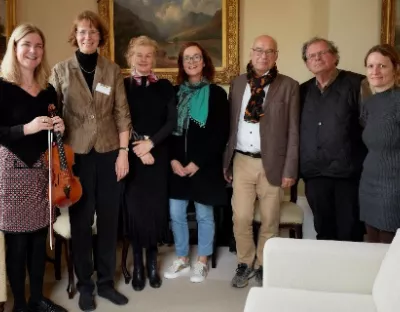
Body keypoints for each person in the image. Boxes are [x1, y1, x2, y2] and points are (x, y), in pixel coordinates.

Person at [50, 11, 131, 311]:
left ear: (100, 37)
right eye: (82, 31)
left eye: (93, 32)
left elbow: (122, 113)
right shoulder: (61, 70)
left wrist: (124, 153)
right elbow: (52, 109)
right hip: (77, 159)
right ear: (76, 35)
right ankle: (85, 285)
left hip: (110, 153)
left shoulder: (112, 70)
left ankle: (106, 282)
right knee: (82, 222)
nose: (88, 36)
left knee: (109, 221)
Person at [0, 23, 67, 312]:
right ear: (14, 48)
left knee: (40, 237)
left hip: (42, 169)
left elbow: (53, 132)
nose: (33, 51)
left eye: (39, 46)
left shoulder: (49, 91)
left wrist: (60, 127)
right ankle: (21, 305)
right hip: (12, 169)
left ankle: (38, 298)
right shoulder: (2, 87)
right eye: (27, 44)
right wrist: (26, 128)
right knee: (17, 240)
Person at [223, 35, 299, 288]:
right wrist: (227, 162)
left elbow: (294, 131)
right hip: (242, 161)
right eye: (258, 50)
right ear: (251, 53)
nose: (263, 55)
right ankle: (245, 262)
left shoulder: (289, 86)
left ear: (276, 55)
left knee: (270, 219)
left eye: (269, 51)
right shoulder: (237, 84)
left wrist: (290, 168)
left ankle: (264, 264)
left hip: (273, 164)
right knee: (241, 217)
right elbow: (230, 127)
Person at [164, 42, 229, 283]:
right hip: (176, 166)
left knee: (204, 215)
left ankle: (202, 260)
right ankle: (181, 257)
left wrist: (197, 163)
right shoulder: (173, 93)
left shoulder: (217, 94)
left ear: (204, 62)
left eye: (196, 57)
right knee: (176, 213)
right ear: (181, 63)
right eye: (187, 58)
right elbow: (167, 129)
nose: (191, 62)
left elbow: (220, 134)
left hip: (204, 167)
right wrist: (172, 159)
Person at [299, 37, 366, 243]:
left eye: (322, 53)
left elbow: (371, 126)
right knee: (324, 230)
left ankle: (350, 275)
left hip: (347, 173)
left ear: (335, 56)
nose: (317, 58)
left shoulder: (358, 84)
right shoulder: (302, 91)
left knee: (349, 231)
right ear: (307, 63)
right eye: (312, 55)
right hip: (315, 173)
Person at [123, 36, 176, 291]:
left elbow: (172, 122)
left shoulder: (165, 86)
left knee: (155, 210)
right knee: (135, 212)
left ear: (154, 58)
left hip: (158, 155)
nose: (144, 60)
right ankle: (139, 268)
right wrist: (139, 148)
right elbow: (119, 121)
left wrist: (151, 144)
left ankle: (153, 263)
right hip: (131, 157)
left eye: (148, 55)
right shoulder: (122, 86)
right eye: (139, 55)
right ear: (130, 57)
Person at [359, 44, 400, 244]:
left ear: (395, 68)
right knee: (372, 248)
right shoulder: (369, 103)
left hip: (393, 188)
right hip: (368, 184)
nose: (375, 71)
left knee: (388, 251)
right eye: (370, 66)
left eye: (382, 66)